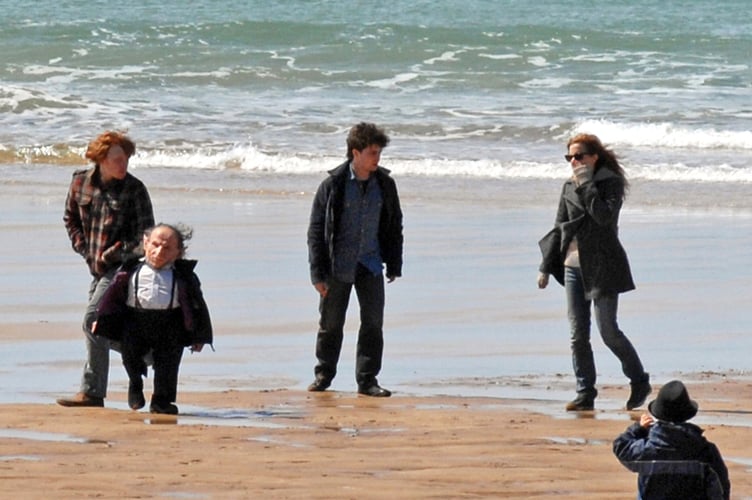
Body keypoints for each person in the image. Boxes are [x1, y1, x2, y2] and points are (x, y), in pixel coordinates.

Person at [537, 133, 650, 411]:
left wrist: (587, 184)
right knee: (577, 335)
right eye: (570, 157)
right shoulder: (567, 186)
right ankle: (585, 392)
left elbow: (603, 217)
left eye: (579, 156)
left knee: (608, 331)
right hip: (572, 267)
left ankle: (639, 379)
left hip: (603, 266)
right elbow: (559, 225)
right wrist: (545, 266)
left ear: (594, 156)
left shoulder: (610, 183)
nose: (574, 161)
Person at [58, 131, 155, 408]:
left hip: (124, 267)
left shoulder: (135, 189)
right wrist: (85, 249)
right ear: (100, 159)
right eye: (117, 160)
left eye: (126, 159)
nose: (123, 165)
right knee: (101, 328)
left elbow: (145, 238)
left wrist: (112, 253)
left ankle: (91, 392)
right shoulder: (80, 182)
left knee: (92, 321)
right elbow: (70, 218)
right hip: (96, 268)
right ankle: (147, 355)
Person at [306, 122, 404, 397]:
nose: (377, 158)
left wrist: (394, 264)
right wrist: (317, 274)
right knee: (331, 324)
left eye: (379, 153)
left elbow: (395, 225)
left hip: (371, 264)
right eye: (373, 153)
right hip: (337, 266)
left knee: (373, 324)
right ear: (355, 152)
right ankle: (324, 375)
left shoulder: (385, 185)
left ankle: (367, 380)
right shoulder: (333, 185)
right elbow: (315, 231)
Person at [93, 223, 213, 415]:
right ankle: (135, 384)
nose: (159, 252)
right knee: (130, 357)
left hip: (170, 324)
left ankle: (161, 402)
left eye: (167, 248)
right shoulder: (130, 270)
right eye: (155, 245)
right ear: (146, 243)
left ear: (178, 252)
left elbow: (197, 305)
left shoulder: (183, 276)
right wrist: (102, 319)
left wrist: (199, 336)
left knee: (168, 365)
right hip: (135, 321)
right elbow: (112, 297)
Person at [613, 380, 730, 499]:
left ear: (658, 414)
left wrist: (638, 429)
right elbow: (720, 486)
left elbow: (621, 447)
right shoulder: (703, 450)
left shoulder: (648, 450)